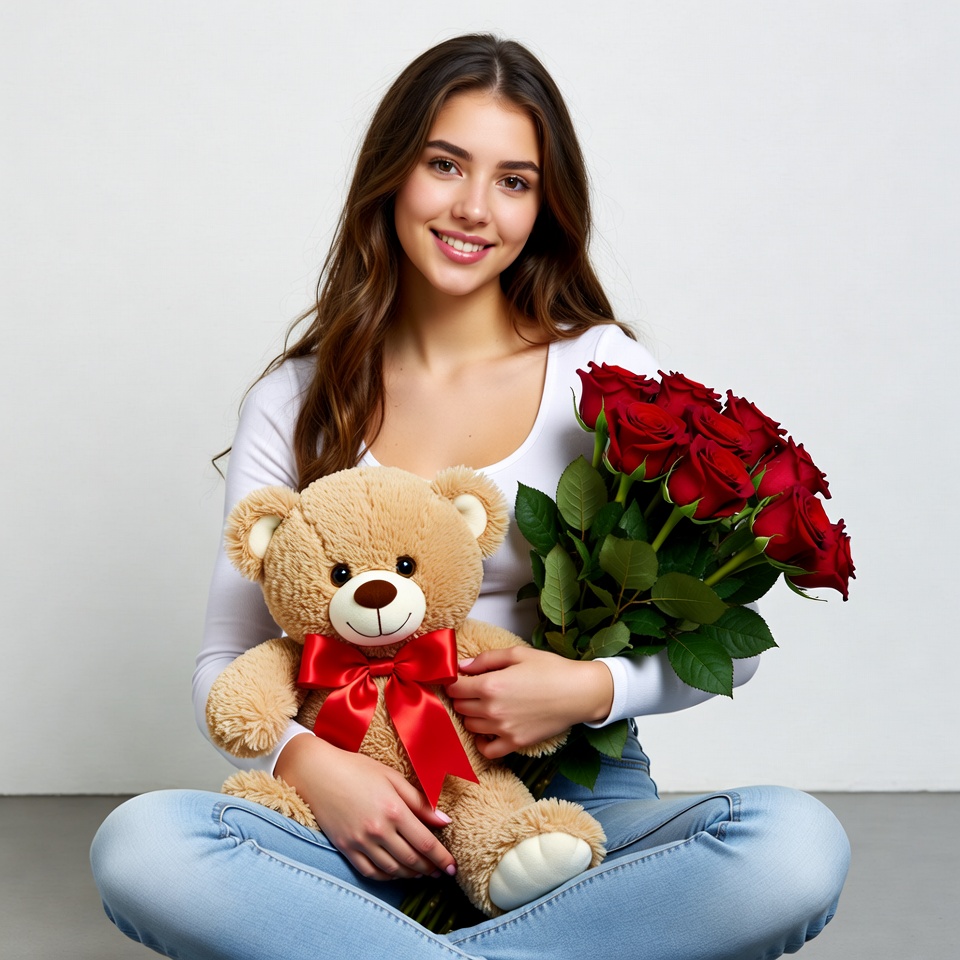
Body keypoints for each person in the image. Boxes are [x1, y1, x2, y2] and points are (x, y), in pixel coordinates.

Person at [91, 34, 850, 960]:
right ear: (392, 174)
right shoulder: (294, 397)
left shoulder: (599, 372)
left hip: (571, 811)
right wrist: (313, 767)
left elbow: (731, 656)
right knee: (143, 846)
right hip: (359, 821)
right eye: (445, 164)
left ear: (547, 205)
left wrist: (584, 688)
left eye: (515, 181)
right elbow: (226, 658)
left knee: (795, 846)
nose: (473, 209)